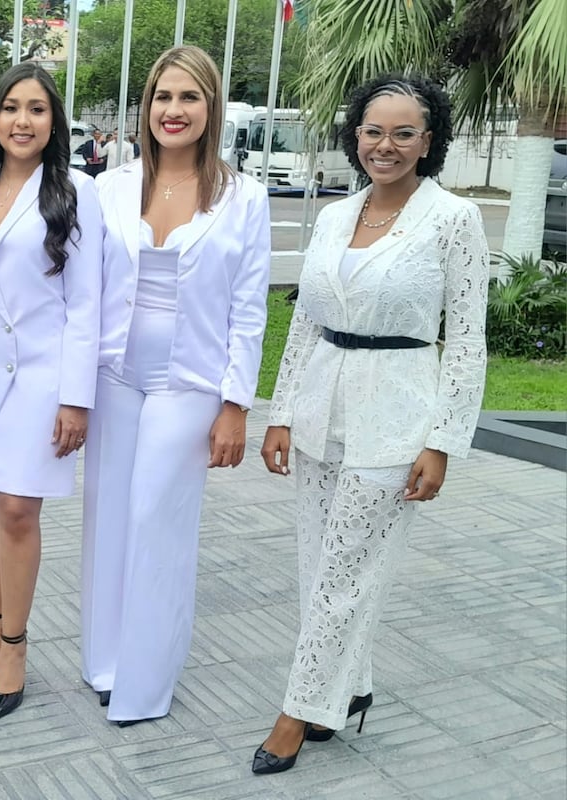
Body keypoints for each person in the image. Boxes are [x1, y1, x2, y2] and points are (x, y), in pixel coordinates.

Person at [252, 74, 488, 775]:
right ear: (355, 134)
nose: (385, 145)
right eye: (373, 130)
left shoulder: (453, 219)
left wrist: (443, 441)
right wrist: (282, 412)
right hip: (325, 403)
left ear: (430, 140)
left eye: (403, 132)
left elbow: (469, 338)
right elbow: (304, 323)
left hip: (398, 412)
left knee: (345, 574)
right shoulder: (333, 215)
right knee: (314, 563)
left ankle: (296, 712)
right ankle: (348, 690)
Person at [79, 45, 271, 727]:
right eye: (164, 97)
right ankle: (104, 661)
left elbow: (250, 311)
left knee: (156, 522)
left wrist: (235, 404)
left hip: (188, 383)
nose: (174, 110)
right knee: (107, 520)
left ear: (210, 108)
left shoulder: (243, 198)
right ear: (147, 106)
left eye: (189, 97)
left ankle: (145, 684)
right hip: (113, 377)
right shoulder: (109, 186)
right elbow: (82, 291)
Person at [0, 61, 103, 721]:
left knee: (17, 510)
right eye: (12, 107)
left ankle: (15, 644)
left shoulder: (74, 191)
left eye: (37, 109)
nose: (23, 121)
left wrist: (76, 397)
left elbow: (86, 303)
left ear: (52, 122)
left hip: (41, 376)